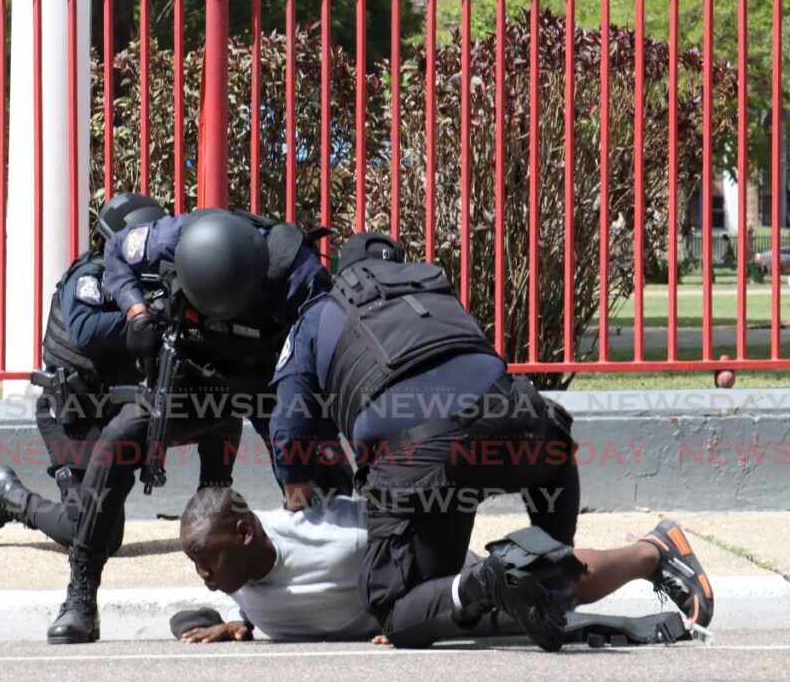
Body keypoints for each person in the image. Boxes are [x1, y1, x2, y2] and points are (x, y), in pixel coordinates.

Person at [265, 232, 714, 650]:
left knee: (396, 610)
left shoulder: (319, 316)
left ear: (344, 272)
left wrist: (297, 491)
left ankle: (496, 581)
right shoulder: (435, 295)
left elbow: (288, 425)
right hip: (534, 431)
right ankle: (650, 551)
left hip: (424, 462)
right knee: (546, 581)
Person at [47, 207, 352, 644]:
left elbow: (313, 359)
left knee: (313, 460)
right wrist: (136, 311)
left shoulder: (296, 271)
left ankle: (350, 579)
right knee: (117, 441)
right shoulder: (173, 235)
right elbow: (116, 250)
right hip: (194, 370)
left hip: (269, 375)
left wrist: (297, 468)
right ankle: (80, 597)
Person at [0, 193, 241, 554]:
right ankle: (6, 494)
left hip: (132, 410)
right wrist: (149, 314)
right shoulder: (89, 275)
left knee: (221, 411)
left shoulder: (158, 280)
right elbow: (85, 329)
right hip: (79, 414)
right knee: (95, 535)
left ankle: (214, 513)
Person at [177, 487, 714, 649]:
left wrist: (408, 610)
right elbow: (270, 597)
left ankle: (652, 549)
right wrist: (237, 623)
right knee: (548, 606)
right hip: (425, 619)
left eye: (204, 556)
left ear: (244, 533)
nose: (200, 571)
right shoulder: (242, 589)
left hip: (437, 587)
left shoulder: (323, 522)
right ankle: (649, 551)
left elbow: (404, 526)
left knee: (546, 586)